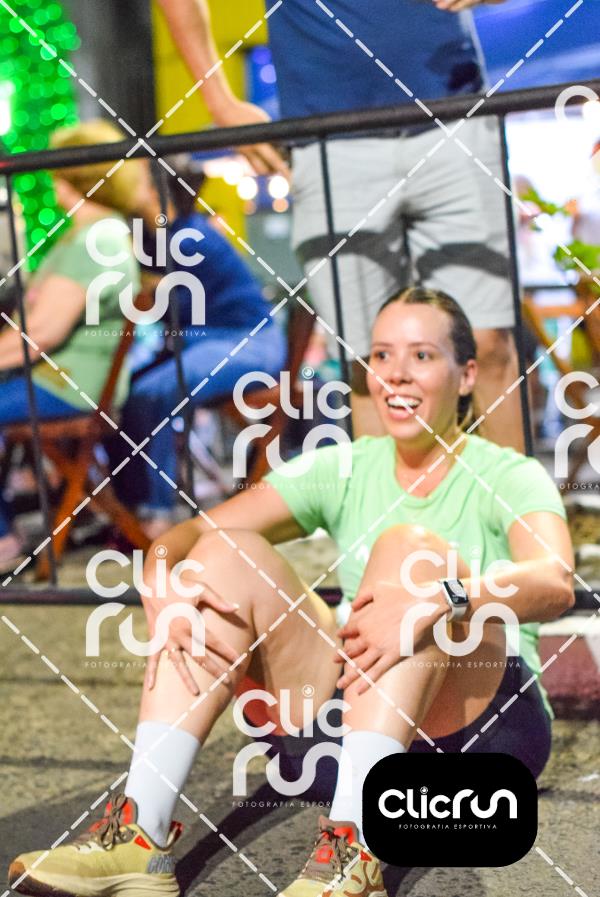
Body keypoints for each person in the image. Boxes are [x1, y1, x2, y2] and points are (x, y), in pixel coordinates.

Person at [9, 288, 573, 897]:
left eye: (422, 356)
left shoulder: (508, 473)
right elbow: (192, 533)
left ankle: (356, 854)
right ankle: (138, 836)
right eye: (382, 355)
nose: (396, 374)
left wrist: (444, 598)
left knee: (410, 550)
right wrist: (160, 581)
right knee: (224, 553)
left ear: (465, 376)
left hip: (478, 741)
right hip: (345, 737)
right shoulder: (346, 465)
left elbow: (555, 581)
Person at [154, 0, 523, 452]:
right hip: (329, 137)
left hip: (455, 116)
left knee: (487, 345)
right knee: (369, 362)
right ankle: (393, 501)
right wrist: (219, 101)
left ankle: (515, 500)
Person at [112, 158, 286, 538]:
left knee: (153, 391)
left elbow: (173, 306)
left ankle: (156, 513)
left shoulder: (189, 237)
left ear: (154, 191)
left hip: (246, 340)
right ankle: (125, 507)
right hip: (207, 341)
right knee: (127, 390)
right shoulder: (158, 239)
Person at [0, 119, 141, 572]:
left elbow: (41, 333)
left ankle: (2, 539)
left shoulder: (94, 240)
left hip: (67, 385)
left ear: (73, 175)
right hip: (66, 380)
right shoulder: (98, 233)